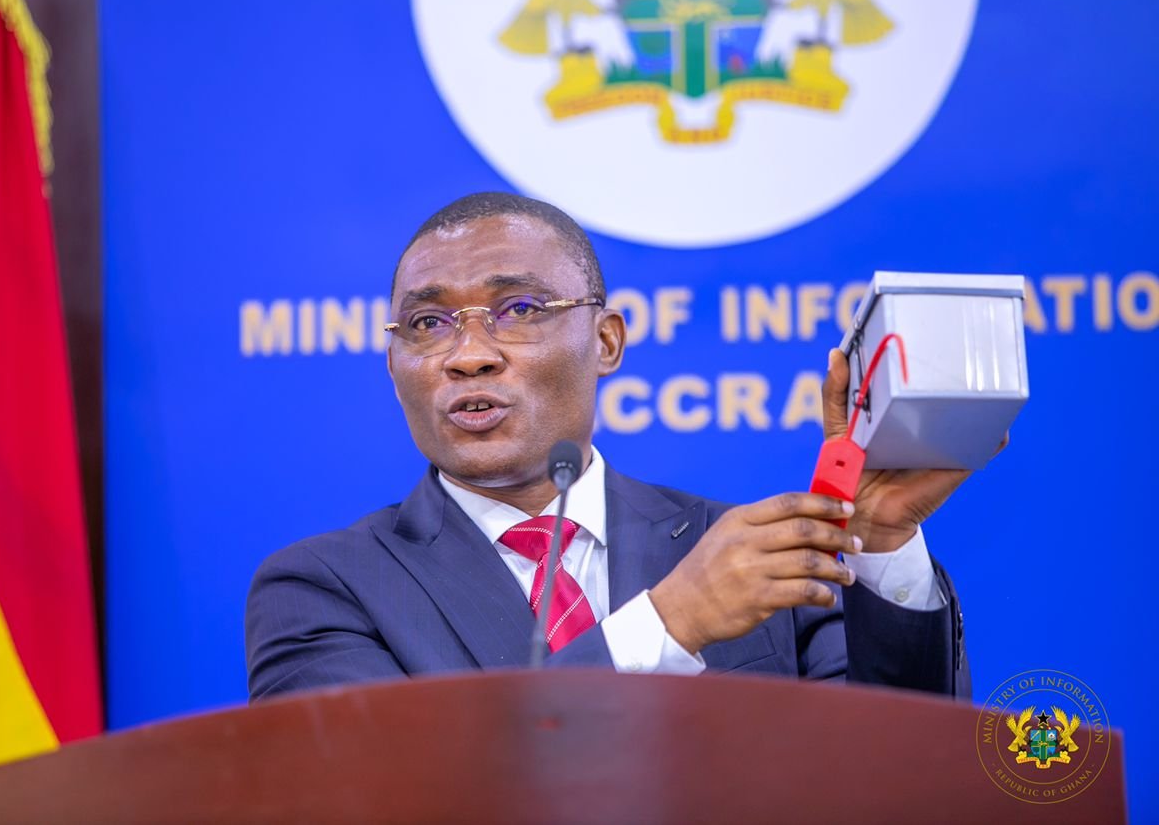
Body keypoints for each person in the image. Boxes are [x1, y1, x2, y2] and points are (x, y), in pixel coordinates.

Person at [246, 192, 975, 700]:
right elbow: (376, 792)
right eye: (428, 324)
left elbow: (900, 769)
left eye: (518, 309)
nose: (469, 355)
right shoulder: (323, 589)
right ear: (394, 364)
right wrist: (668, 625)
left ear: (605, 342)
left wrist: (883, 545)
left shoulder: (751, 554)